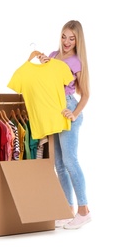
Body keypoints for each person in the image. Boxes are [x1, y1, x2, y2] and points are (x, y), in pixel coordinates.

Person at [38, 20, 91, 229]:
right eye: (64, 36)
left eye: (72, 38)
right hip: (53, 112)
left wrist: (75, 114)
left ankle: (84, 210)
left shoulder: (77, 62)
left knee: (70, 161)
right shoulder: (53, 55)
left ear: (78, 40)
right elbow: (45, 82)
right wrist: (43, 64)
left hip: (68, 111)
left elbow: (86, 94)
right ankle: (67, 209)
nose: (67, 42)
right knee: (59, 164)